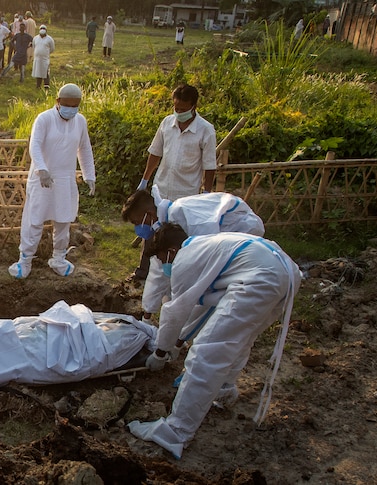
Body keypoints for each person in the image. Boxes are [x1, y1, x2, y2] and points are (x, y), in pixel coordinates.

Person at [127, 224, 301, 459]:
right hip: (285, 273)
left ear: (170, 251)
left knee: (205, 355)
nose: (164, 265)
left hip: (261, 277)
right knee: (240, 338)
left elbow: (176, 312)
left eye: (161, 258)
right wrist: (178, 342)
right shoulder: (204, 247)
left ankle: (176, 432)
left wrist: (161, 352)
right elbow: (205, 309)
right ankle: (224, 389)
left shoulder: (184, 260)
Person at [121, 187, 265, 324]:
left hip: (241, 233)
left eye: (137, 222)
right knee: (179, 287)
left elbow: (205, 265)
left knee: (206, 291)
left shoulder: (188, 219)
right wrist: (147, 314)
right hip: (221, 241)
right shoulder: (167, 224)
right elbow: (159, 270)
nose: (138, 227)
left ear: (150, 214)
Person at [8, 83, 95, 279]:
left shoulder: (80, 121)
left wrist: (90, 175)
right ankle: (25, 260)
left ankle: (58, 258)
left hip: (65, 180)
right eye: (67, 105)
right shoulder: (44, 119)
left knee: (63, 220)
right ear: (58, 102)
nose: (71, 109)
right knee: (35, 219)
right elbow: (35, 145)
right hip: (42, 180)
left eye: (75, 105)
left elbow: (85, 148)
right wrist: (42, 169)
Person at [132, 84, 215, 281]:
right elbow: (155, 153)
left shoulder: (205, 130)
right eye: (175, 108)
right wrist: (145, 180)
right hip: (161, 189)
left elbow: (209, 166)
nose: (178, 112)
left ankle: (177, 275)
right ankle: (143, 272)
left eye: (183, 109)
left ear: (194, 106)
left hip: (185, 194)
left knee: (178, 237)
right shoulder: (167, 124)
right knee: (151, 231)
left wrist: (206, 194)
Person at [32, 25, 54, 89]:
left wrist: (45, 53)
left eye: (44, 28)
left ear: (46, 30)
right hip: (37, 59)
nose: (42, 29)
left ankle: (46, 86)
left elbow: (52, 48)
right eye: (41, 28)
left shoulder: (49, 39)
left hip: (45, 59)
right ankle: (38, 86)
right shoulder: (35, 38)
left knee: (45, 72)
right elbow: (34, 46)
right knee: (38, 72)